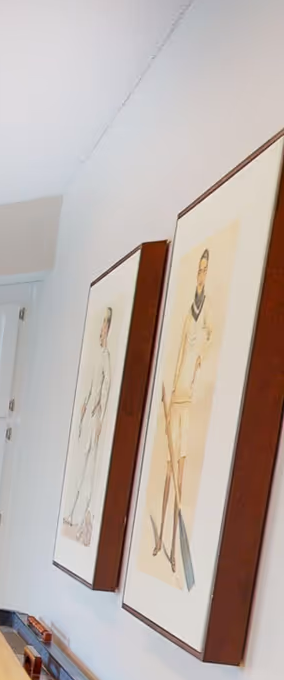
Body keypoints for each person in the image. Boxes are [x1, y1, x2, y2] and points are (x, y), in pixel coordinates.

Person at [150, 249, 212, 588]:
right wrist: (170, 391)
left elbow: (205, 344)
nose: (200, 276)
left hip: (189, 400)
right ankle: (162, 540)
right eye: (198, 270)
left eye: (205, 270)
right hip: (177, 398)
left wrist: (200, 364)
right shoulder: (189, 315)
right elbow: (176, 360)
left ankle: (175, 543)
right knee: (167, 472)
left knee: (182, 473)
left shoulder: (206, 315)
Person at [61, 306, 114, 544]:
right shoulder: (95, 355)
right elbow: (91, 388)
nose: (102, 328)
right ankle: (73, 513)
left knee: (88, 469)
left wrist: (99, 415)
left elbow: (106, 387)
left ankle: (82, 515)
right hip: (87, 415)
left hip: (95, 419)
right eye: (102, 324)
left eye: (106, 324)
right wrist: (83, 407)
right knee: (80, 468)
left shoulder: (106, 358)